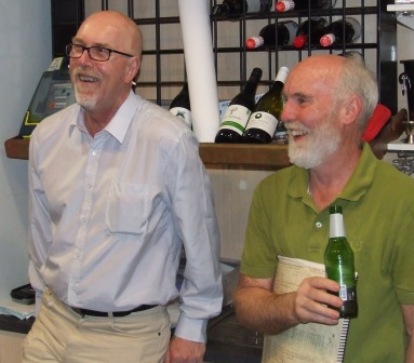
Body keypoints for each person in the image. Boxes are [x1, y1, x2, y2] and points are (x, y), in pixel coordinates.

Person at [23, 10, 222, 363]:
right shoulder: (47, 137)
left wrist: (193, 328)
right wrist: (42, 306)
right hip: (51, 329)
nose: (84, 61)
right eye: (79, 48)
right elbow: (41, 237)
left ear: (132, 70)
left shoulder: (169, 142)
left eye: (101, 52)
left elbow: (201, 241)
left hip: (127, 339)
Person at [233, 54, 414, 362]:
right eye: (287, 99)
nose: (286, 113)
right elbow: (247, 303)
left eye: (302, 101)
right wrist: (291, 307)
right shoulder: (271, 194)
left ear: (349, 110)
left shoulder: (402, 201)